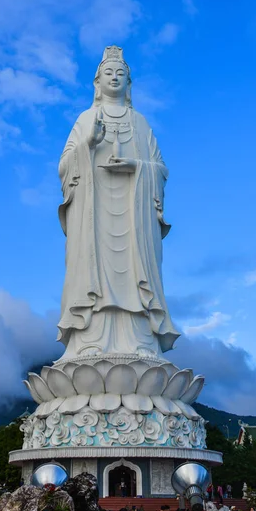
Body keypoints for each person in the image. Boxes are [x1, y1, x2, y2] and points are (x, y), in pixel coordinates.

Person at [57, 45, 179, 360]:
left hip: (133, 218)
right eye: (108, 73)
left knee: (134, 275)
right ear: (97, 83)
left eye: (120, 74)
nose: (114, 78)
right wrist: (89, 145)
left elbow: (161, 170)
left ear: (129, 84)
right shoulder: (86, 119)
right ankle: (89, 342)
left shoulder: (140, 123)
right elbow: (63, 167)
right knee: (91, 271)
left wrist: (136, 167)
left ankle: (140, 341)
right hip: (94, 216)